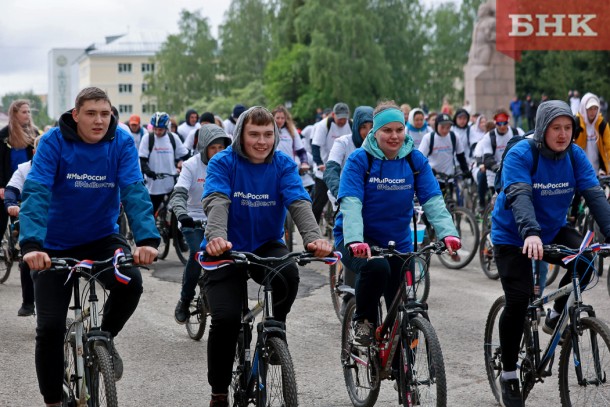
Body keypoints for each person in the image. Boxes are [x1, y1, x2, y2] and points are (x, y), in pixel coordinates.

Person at [19, 87, 159, 407]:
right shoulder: (54, 141)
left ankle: (104, 338)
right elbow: (37, 190)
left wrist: (148, 240)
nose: (99, 121)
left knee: (131, 283)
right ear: (76, 114)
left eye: (105, 114)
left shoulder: (121, 141)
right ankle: (53, 400)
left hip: (100, 238)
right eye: (91, 113)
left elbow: (134, 191)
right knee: (50, 328)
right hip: (53, 245)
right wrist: (31, 244)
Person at [200, 106, 333, 407]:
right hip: (225, 247)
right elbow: (217, 200)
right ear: (240, 135)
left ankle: (276, 329)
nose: (262, 141)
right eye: (254, 134)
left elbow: (298, 200)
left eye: (268, 134)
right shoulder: (223, 162)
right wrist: (217, 236)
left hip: (265, 244)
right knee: (227, 319)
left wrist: (313, 238)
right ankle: (219, 391)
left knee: (289, 273)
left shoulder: (283, 164)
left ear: (276, 135)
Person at [491, 100, 610, 407]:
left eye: (568, 128)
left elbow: (594, 195)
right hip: (513, 234)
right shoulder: (521, 154)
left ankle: (556, 311)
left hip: (552, 229)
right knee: (517, 301)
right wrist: (529, 232)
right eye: (556, 128)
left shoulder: (574, 154)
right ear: (543, 128)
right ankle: (507, 374)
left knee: (587, 259)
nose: (562, 134)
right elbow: (518, 193)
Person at [333, 101, 461, 346]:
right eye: (387, 130)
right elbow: (351, 204)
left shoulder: (415, 161)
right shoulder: (359, 160)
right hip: (356, 240)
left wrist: (448, 234)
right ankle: (364, 321)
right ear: (375, 132)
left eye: (399, 130)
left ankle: (405, 372)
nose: (394, 136)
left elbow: (433, 200)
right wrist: (356, 240)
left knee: (400, 307)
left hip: (398, 242)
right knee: (377, 268)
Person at [170, 124, 231, 324]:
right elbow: (179, 193)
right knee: (197, 256)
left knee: (231, 259)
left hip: (218, 218)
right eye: (213, 148)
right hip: (193, 217)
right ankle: (185, 300)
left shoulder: (229, 164)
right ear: (203, 147)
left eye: (221, 147)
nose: (217, 153)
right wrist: (181, 213)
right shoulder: (191, 165)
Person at [0, 99, 37, 313]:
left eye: (29, 111)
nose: (27, 114)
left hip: (32, 188)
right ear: (15, 113)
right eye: (24, 111)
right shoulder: (4, 135)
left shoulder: (34, 134)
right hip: (10, 186)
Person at [3, 134, 42, 316]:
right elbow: (12, 189)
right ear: (34, 152)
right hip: (31, 219)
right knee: (27, 258)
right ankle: (28, 302)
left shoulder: (64, 168)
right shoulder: (25, 169)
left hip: (58, 221)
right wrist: (11, 204)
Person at [138, 112, 190, 214]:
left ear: (166, 128)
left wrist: (181, 162)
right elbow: (142, 160)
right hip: (153, 185)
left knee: (175, 211)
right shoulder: (147, 138)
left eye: (160, 129)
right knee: (151, 213)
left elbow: (185, 155)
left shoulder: (173, 138)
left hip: (171, 182)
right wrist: (148, 172)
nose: (157, 132)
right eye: (155, 129)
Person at [311, 102, 352, 223]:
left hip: (344, 169)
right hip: (325, 168)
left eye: (345, 118)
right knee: (318, 204)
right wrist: (319, 164)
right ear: (333, 115)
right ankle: (313, 232)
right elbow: (315, 146)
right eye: (340, 119)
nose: (342, 121)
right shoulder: (324, 125)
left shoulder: (351, 125)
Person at [324, 106, 373, 200]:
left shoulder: (380, 144)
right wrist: (341, 194)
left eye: (372, 127)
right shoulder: (342, 142)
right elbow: (330, 170)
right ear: (356, 126)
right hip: (346, 194)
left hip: (371, 197)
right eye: (363, 127)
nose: (368, 132)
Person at [573, 92, 610, 175]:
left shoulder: (602, 124)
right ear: (584, 108)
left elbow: (609, 146)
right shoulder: (576, 123)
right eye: (590, 108)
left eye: (595, 108)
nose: (593, 112)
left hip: (598, 171)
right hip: (580, 170)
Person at [272, 105, 310, 174]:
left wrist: (304, 162)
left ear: (286, 118)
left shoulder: (291, 130)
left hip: (289, 167)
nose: (280, 120)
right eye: (277, 118)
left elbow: (301, 150)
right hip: (274, 168)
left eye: (282, 118)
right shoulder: (269, 130)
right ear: (273, 118)